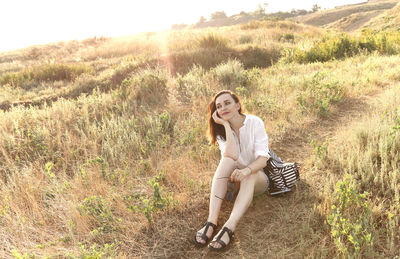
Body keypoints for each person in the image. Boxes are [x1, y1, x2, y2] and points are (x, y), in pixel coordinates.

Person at [194, 90, 270, 251]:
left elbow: (263, 160)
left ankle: (229, 227)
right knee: (226, 160)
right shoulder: (222, 131)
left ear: (237, 105)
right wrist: (226, 126)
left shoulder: (254, 122)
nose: (223, 108)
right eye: (219, 106)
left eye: (227, 103)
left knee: (250, 174)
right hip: (235, 179)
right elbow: (231, 156)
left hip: (257, 178)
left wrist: (246, 171)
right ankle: (211, 221)